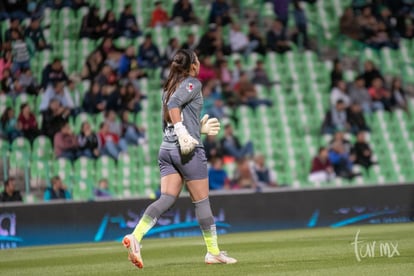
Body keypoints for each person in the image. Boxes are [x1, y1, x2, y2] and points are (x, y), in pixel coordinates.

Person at [122, 49, 236, 269]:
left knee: (166, 199)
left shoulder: (168, 86)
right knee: (202, 202)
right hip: (186, 151)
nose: (200, 61)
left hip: (166, 148)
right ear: (192, 65)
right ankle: (213, 252)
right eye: (198, 58)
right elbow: (174, 106)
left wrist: (195, 128)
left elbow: (172, 110)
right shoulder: (193, 83)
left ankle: (135, 237)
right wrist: (185, 133)